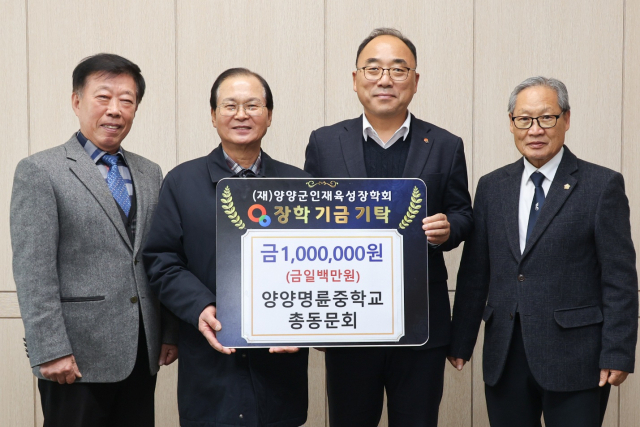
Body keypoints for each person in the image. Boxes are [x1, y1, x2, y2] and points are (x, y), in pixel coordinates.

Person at [304, 28, 473, 427]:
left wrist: (449, 228)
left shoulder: (445, 144)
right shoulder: (325, 142)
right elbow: (307, 224)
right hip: (348, 319)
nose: (385, 79)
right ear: (355, 79)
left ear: (415, 80)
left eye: (398, 70)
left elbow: (464, 214)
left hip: (420, 321)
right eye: (373, 68)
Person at [449, 76, 638, 427]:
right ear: (511, 124)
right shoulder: (492, 187)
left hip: (576, 357)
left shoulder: (601, 185)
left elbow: (620, 278)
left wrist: (618, 351)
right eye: (524, 119)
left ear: (566, 119)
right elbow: (475, 271)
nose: (535, 129)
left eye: (546, 118)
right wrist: (461, 341)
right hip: (505, 353)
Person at [10, 53, 178, 427]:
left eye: (126, 100)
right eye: (103, 97)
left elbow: (159, 256)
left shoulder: (149, 172)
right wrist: (50, 349)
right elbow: (33, 270)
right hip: (75, 357)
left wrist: (168, 332)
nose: (115, 110)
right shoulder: (41, 171)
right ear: (77, 101)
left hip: (141, 351)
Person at [143, 68, 310, 427]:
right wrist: (201, 305)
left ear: (269, 115)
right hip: (209, 362)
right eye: (230, 105)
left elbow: (319, 268)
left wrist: (307, 328)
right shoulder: (182, 181)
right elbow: (162, 260)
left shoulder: (300, 184)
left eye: (253, 105)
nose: (241, 115)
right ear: (213, 115)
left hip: (279, 369)